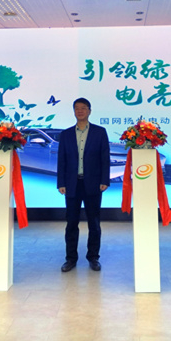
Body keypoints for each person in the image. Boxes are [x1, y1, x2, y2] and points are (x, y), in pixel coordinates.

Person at [57, 98, 110, 272]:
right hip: (72, 184)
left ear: (89, 111)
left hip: (93, 184)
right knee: (71, 223)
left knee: (94, 223)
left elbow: (105, 158)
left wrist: (105, 180)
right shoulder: (66, 134)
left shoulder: (99, 132)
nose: (80, 111)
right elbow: (62, 160)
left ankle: (93, 257)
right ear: (74, 111)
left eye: (83, 108)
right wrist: (61, 182)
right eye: (77, 108)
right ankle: (70, 259)